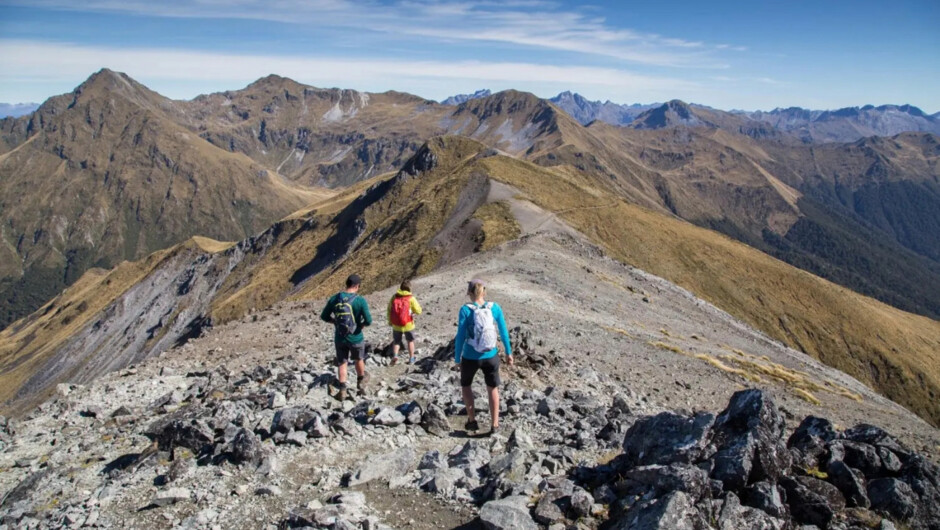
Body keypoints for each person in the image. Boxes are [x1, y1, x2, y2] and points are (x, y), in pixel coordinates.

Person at [454, 278, 513, 436]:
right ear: (484, 292)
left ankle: (472, 421)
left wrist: (457, 358)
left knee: (466, 386)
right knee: (492, 388)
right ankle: (495, 424)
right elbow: (503, 331)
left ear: (469, 292)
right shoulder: (495, 308)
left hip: (470, 356)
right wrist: (508, 352)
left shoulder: (465, 310)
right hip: (491, 355)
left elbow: (460, 335)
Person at [320, 274, 372, 400]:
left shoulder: (335, 298)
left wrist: (334, 322)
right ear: (357, 286)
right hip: (356, 336)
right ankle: (360, 385)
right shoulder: (360, 300)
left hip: (340, 337)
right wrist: (361, 325)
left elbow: (324, 316)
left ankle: (343, 389)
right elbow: (369, 320)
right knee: (358, 359)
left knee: (342, 362)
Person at [387, 279, 423, 365]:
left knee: (396, 341)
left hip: (396, 324)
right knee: (410, 341)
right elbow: (418, 310)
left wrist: (390, 321)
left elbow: (389, 310)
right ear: (410, 288)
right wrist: (413, 312)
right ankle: (411, 358)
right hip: (408, 324)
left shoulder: (394, 297)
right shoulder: (411, 298)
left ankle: (395, 355)